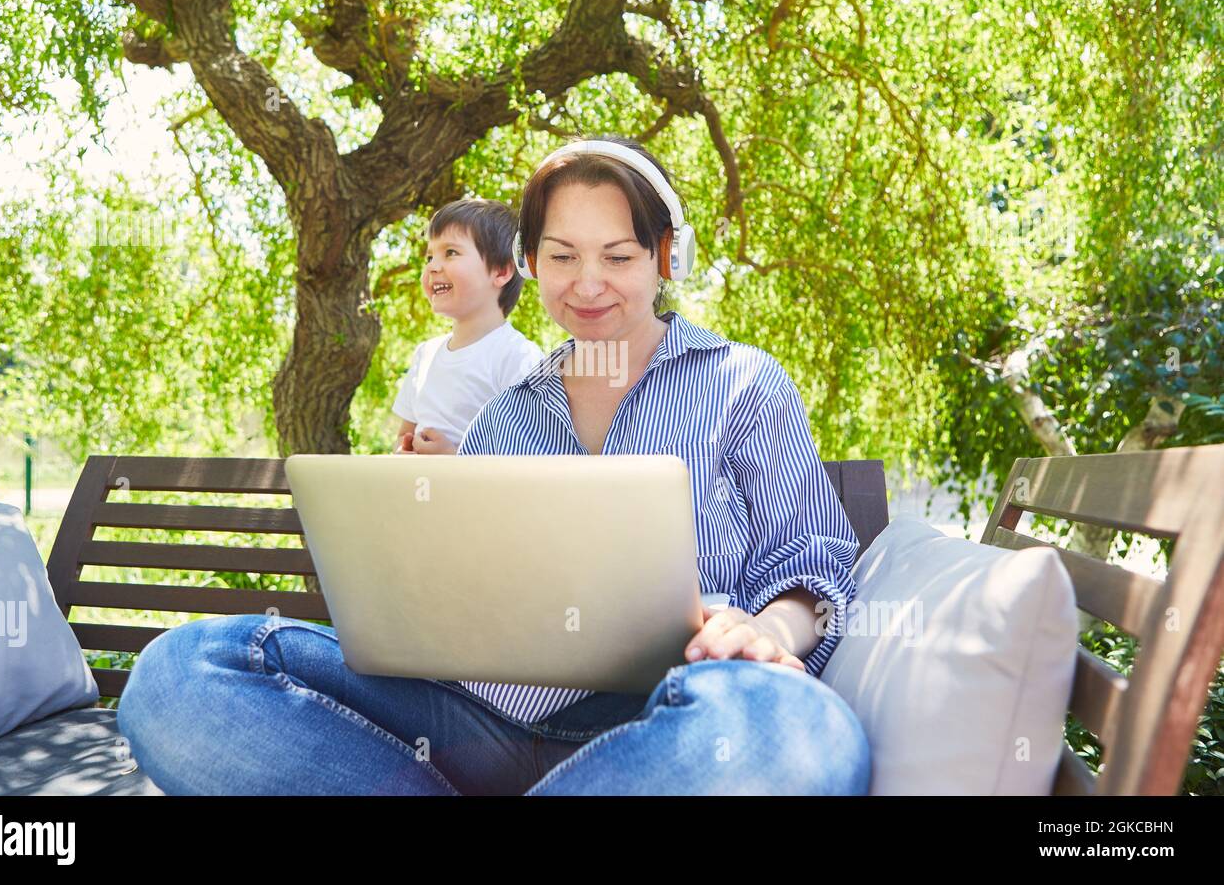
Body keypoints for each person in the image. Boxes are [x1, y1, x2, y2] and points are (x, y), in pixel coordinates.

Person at [116, 135, 872, 795]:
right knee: (182, 672)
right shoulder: (505, 414)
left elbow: (815, 560)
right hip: (467, 728)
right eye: (562, 256)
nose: (586, 284)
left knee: (803, 732)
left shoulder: (745, 381)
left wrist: (770, 631)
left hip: (669, 723)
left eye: (618, 256)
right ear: (529, 263)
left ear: (667, 256)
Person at [390, 198, 543, 455]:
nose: (433, 267)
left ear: (501, 271)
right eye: (429, 256)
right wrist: (403, 451)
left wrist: (453, 457)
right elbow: (402, 435)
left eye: (450, 252)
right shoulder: (424, 355)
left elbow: (525, 457)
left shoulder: (517, 358)